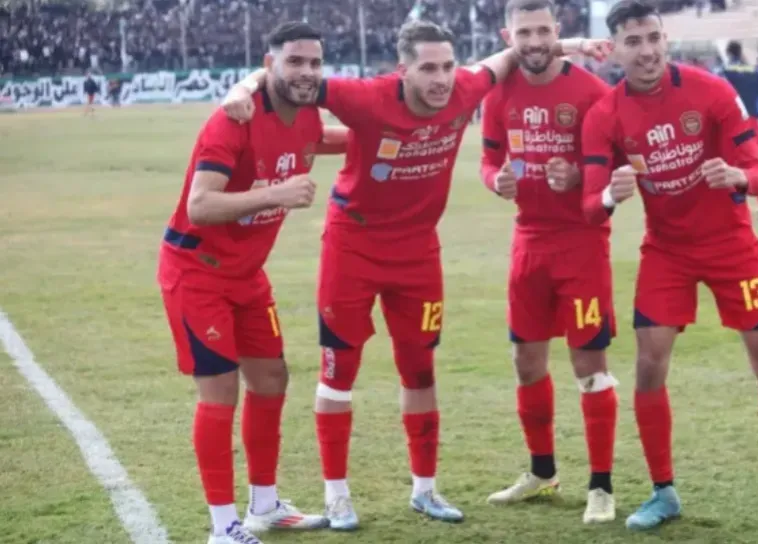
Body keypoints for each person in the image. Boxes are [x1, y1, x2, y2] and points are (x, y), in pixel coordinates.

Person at [221, 20, 609, 531]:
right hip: (353, 246)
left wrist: (574, 45)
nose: (441, 79)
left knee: (420, 371)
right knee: (339, 371)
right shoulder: (365, 98)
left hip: (419, 252)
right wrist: (243, 86)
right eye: (428, 68)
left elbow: (518, 53)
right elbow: (289, 78)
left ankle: (425, 490)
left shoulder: (466, 87)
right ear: (402, 70)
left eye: (447, 66)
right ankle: (337, 496)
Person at [579, 1, 758, 535]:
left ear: (665, 39)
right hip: (666, 252)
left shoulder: (711, 91)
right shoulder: (605, 115)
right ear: (614, 50)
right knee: (648, 366)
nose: (647, 51)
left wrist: (739, 176)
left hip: (731, 245)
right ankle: (663, 492)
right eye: (633, 41)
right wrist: (611, 196)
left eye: (653, 38)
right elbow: (590, 206)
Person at [157, 22, 353, 544]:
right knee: (220, 390)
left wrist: (403, 129)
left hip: (247, 276)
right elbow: (200, 206)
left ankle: (264, 505)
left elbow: (331, 138)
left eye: (315, 63)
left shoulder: (307, 116)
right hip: (196, 271)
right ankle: (223, 528)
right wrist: (277, 194)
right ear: (270, 65)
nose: (307, 72)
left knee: (270, 379)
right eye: (295, 61)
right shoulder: (234, 118)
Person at [478, 0, 617, 524]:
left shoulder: (591, 92)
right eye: (524, 32)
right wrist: (495, 180)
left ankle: (601, 485)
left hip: (581, 243)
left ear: (558, 31)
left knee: (589, 366)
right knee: (526, 360)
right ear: (507, 36)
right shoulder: (498, 92)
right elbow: (488, 159)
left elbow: (618, 163)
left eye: (543, 30)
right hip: (528, 242)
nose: (534, 41)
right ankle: (542, 472)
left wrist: (581, 174)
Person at [722, 40, 758, 221]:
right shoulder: (754, 71)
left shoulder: (725, 71)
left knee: (731, 163)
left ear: (728, 53)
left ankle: (737, 205)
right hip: (753, 120)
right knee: (756, 163)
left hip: (734, 121)